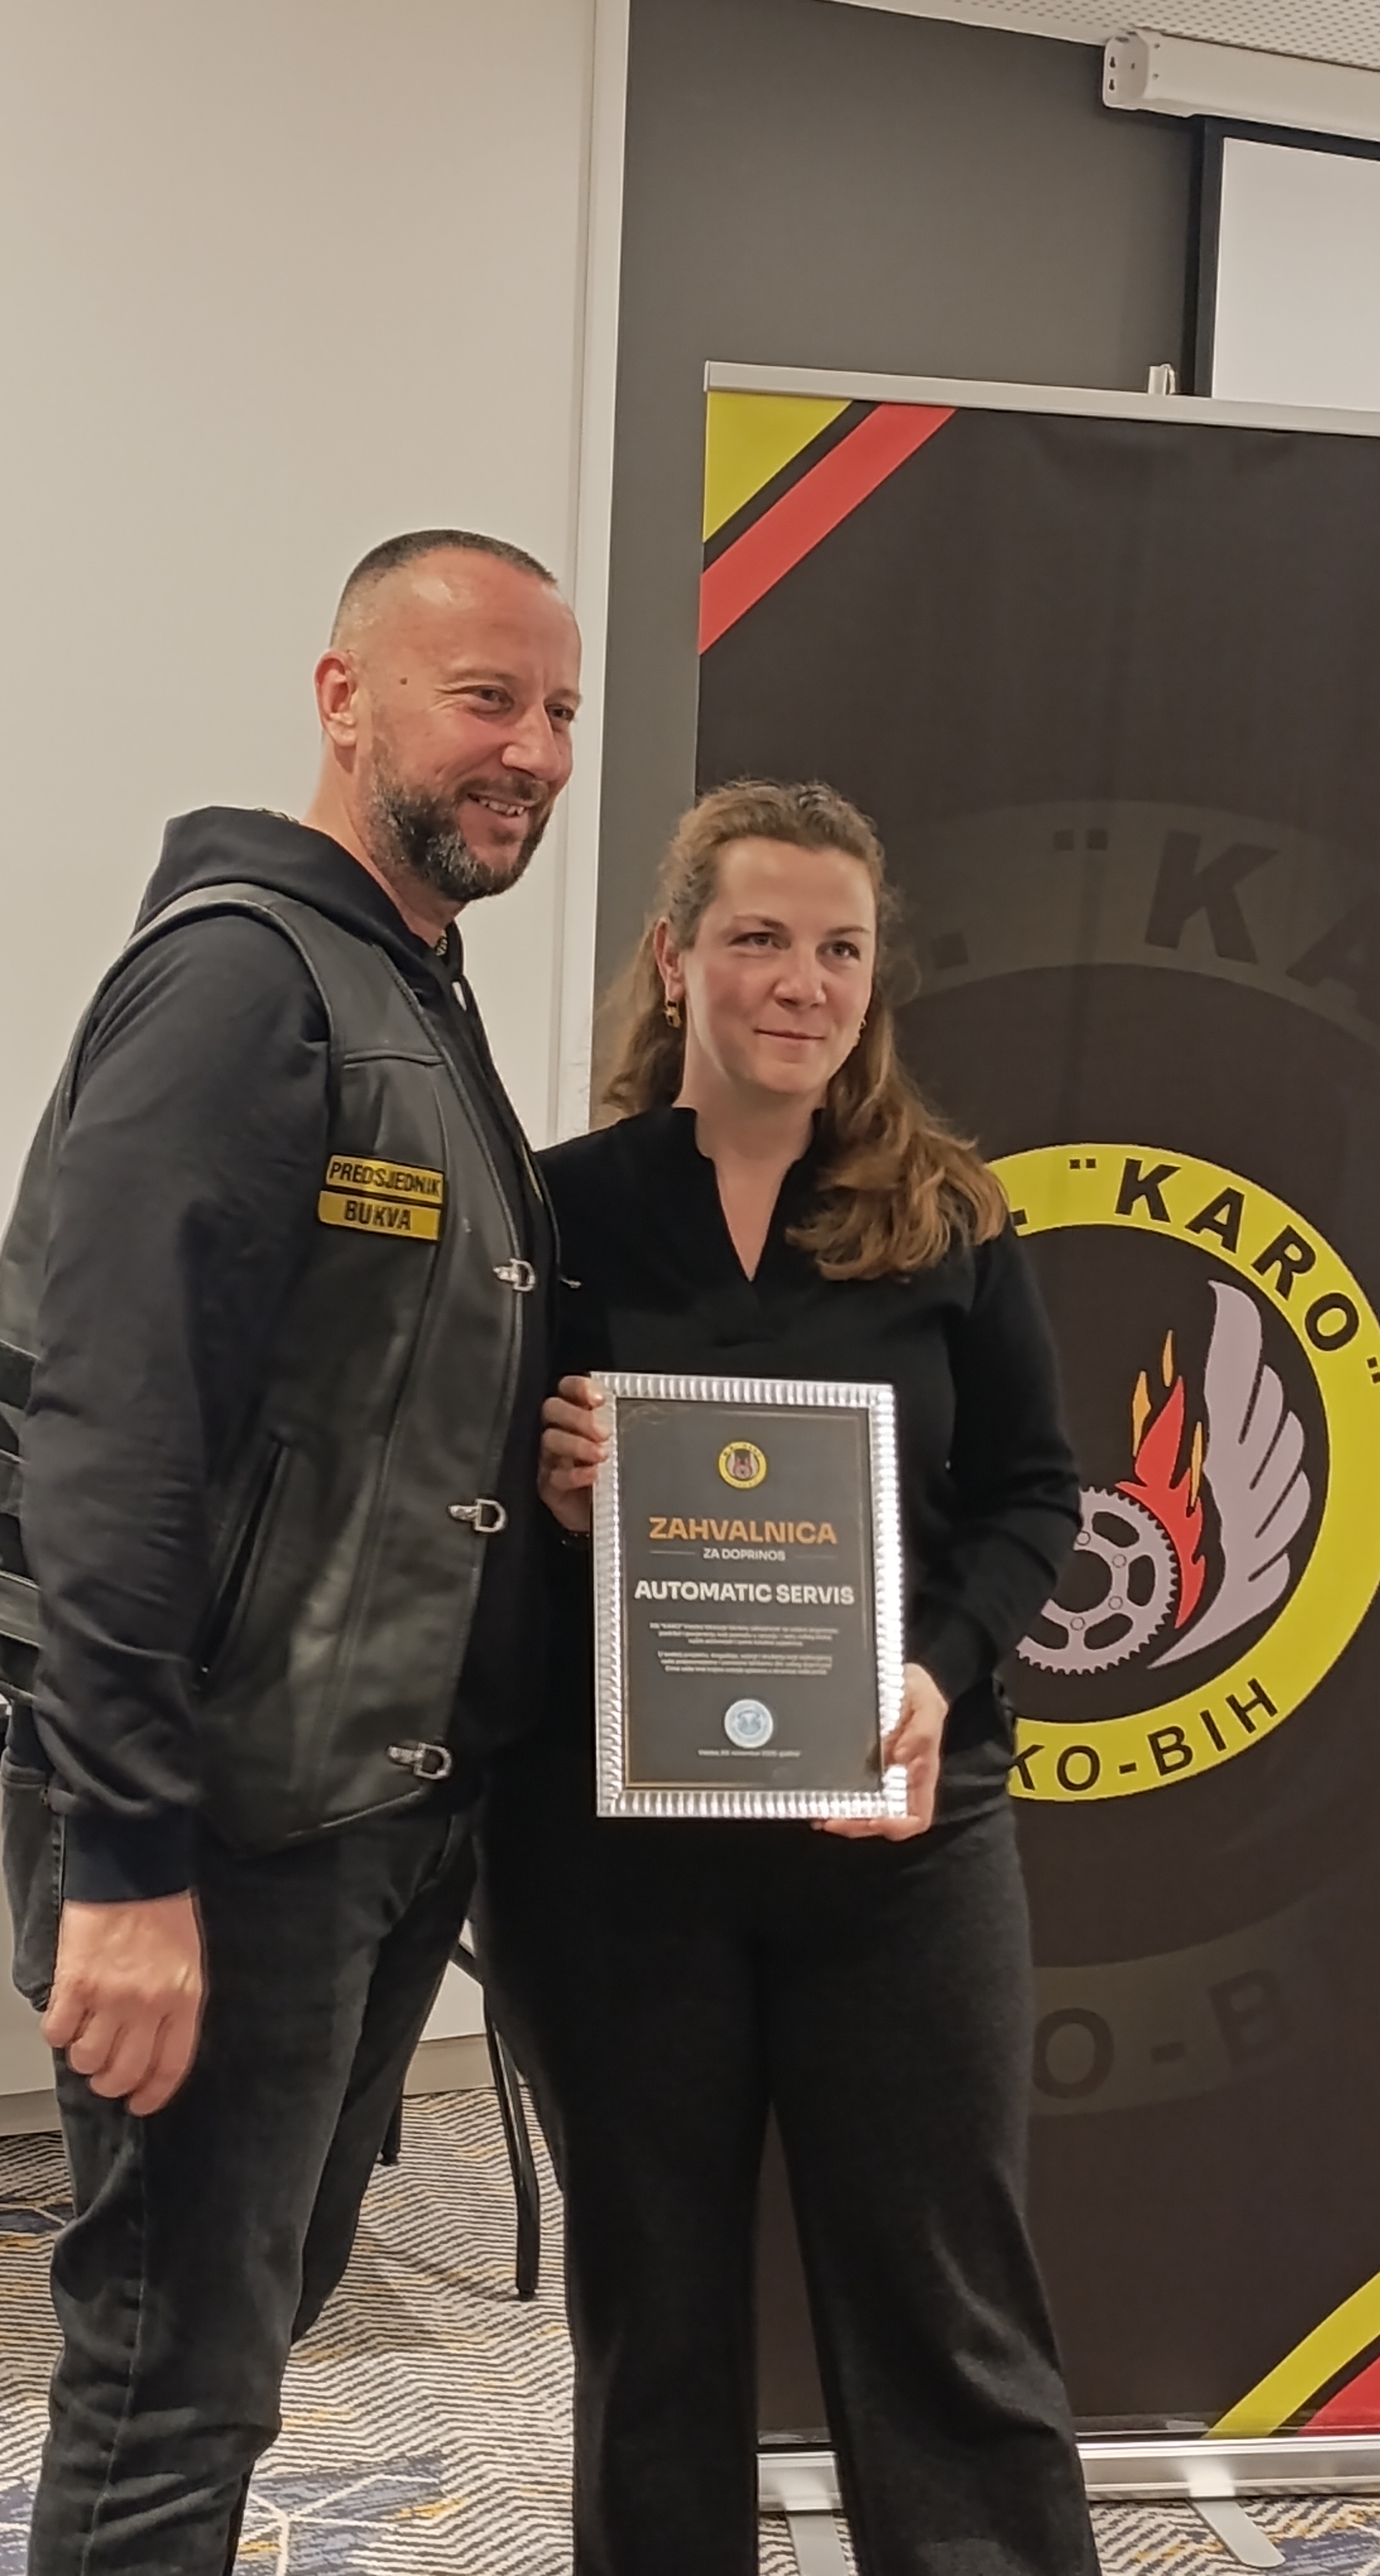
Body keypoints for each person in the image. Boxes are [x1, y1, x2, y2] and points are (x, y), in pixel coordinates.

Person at [0, 529, 580, 2573]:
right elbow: (109, 1433)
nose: (535, 749)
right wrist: (127, 1861)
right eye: (485, 697)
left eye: (560, 711)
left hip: (374, 1812)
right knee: (169, 2380)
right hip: (231, 1829)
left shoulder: (404, 987)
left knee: (244, 2336)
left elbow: (358, 1397)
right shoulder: (243, 981)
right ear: (345, 701)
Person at [474, 778, 1100, 2576]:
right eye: (759, 937)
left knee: (947, 2308)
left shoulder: (950, 1216)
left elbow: (1035, 1492)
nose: (802, 983)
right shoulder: (557, 1214)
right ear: (675, 959)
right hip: (617, 1857)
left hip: (899, 1835)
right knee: (653, 2317)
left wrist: (940, 1671)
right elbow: (461, 1497)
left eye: (840, 948)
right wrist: (559, 1495)